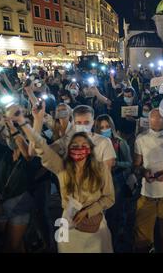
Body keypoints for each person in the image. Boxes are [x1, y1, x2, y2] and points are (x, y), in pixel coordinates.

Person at [10, 104, 115, 253]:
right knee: (65, 246)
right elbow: (40, 148)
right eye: (74, 146)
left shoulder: (101, 163)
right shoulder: (62, 167)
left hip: (95, 221)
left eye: (84, 146)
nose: (79, 149)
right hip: (67, 219)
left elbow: (108, 196)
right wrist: (28, 122)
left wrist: (89, 211)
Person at [133, 108, 163, 253]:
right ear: (149, 122)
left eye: (161, 123)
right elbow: (136, 165)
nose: (157, 128)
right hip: (147, 193)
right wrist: (144, 172)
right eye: (153, 125)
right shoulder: (141, 138)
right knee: (143, 236)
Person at [0, 115, 36, 252]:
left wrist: (13, 128)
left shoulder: (32, 154)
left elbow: (27, 154)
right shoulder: (4, 151)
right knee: (11, 242)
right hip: (1, 204)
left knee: (11, 246)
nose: (14, 137)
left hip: (20, 205)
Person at [94, 114, 132, 252]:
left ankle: (115, 241)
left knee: (115, 213)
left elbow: (129, 163)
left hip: (116, 181)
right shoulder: (92, 143)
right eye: (101, 127)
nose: (105, 129)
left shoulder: (119, 142)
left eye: (107, 126)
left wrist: (117, 163)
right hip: (97, 182)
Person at [50, 105, 116, 169]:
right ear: (74, 124)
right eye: (79, 123)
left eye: (86, 122)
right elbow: (51, 148)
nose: (83, 126)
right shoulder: (68, 139)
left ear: (93, 122)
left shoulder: (104, 142)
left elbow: (107, 172)